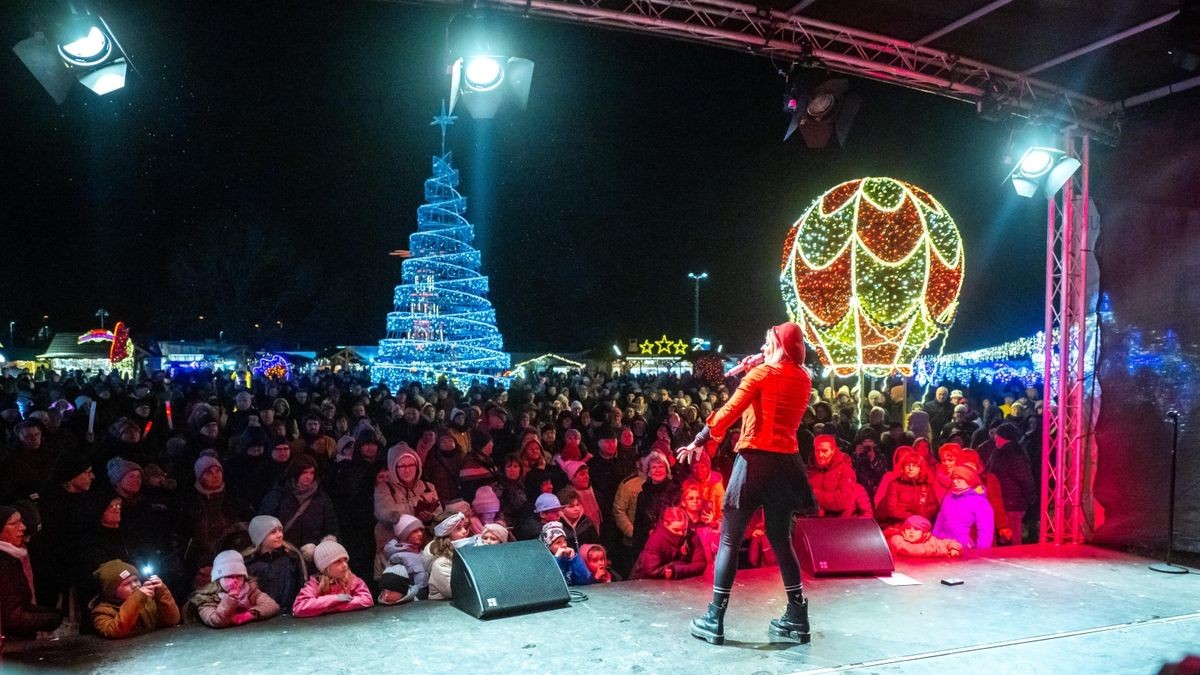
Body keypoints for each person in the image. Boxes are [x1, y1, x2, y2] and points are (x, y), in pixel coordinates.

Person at [678, 322, 816, 646]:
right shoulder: (803, 377)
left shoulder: (761, 375)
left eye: (767, 341)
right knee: (781, 539)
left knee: (729, 539)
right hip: (786, 464)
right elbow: (780, 383)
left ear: (778, 345)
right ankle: (798, 617)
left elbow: (729, 412)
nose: (762, 346)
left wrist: (699, 439)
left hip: (755, 460)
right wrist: (762, 365)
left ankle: (715, 618)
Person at [0, 505, 63, 638]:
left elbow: (20, 604)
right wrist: (50, 620)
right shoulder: (3, 564)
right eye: (13, 524)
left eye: (21, 521)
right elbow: (12, 618)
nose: (22, 527)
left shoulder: (13, 558)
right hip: (9, 645)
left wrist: (50, 613)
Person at [89, 559, 180, 638]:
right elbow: (115, 631)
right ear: (112, 591)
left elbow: (172, 621)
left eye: (136, 580)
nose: (135, 585)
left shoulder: (147, 600)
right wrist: (136, 598)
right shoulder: (101, 612)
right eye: (126, 584)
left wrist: (162, 592)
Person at [188, 550, 279, 628]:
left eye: (239, 576)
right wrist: (230, 599)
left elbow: (272, 605)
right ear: (218, 579)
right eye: (229, 577)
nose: (235, 581)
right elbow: (215, 620)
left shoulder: (250, 590)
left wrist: (248, 615)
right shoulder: (206, 598)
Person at [291, 540, 373, 617]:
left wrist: (332, 607)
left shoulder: (351, 579)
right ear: (326, 567)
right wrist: (335, 599)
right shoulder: (315, 584)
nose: (345, 565)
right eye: (338, 561)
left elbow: (367, 599)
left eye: (345, 560)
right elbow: (299, 607)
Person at [243, 515, 307, 611]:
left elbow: (300, 585)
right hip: (264, 613)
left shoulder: (291, 557)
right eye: (273, 532)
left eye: (280, 530)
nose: (279, 535)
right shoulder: (249, 564)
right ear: (260, 537)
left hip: (290, 611)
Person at [630, 507, 706, 581]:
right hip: (642, 581)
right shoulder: (656, 539)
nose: (681, 533)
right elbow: (651, 570)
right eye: (676, 530)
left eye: (684, 529)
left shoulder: (691, 536)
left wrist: (677, 569)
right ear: (666, 525)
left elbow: (700, 564)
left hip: (673, 583)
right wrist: (672, 569)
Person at [932, 466, 995, 550]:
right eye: (953, 478)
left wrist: (981, 552)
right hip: (943, 545)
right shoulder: (949, 496)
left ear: (970, 480)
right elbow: (940, 519)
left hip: (965, 549)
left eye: (960, 479)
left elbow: (985, 531)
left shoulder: (980, 502)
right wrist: (934, 539)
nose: (955, 481)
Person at [421, 511, 473, 600]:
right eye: (458, 528)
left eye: (464, 527)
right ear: (446, 534)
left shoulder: (465, 552)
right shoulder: (441, 562)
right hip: (444, 606)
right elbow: (454, 591)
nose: (464, 531)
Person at [381, 514, 429, 599]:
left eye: (421, 530)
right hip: (412, 599)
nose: (420, 534)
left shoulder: (421, 552)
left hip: (426, 596)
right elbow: (395, 585)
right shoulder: (398, 557)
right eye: (414, 531)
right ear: (404, 534)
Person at [540, 521, 593, 586]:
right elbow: (549, 584)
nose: (564, 545)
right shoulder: (543, 562)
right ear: (548, 547)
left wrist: (574, 559)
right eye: (558, 542)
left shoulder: (572, 559)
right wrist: (556, 558)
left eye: (564, 540)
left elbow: (584, 580)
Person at [887, 515, 962, 558]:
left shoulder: (929, 539)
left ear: (924, 533)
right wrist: (942, 552)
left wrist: (954, 549)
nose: (911, 532)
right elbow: (910, 550)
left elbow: (950, 542)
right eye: (908, 528)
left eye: (916, 529)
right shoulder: (896, 538)